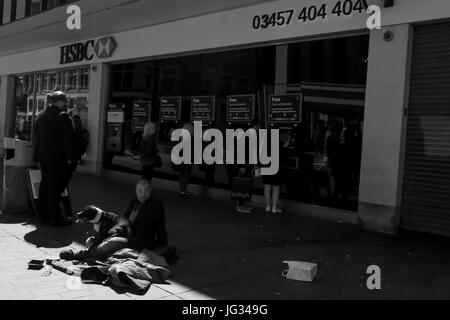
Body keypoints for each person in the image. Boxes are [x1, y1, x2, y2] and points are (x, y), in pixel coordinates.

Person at [33, 91, 75, 226]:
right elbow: (67, 140)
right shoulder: (62, 116)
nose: (66, 105)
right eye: (65, 102)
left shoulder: (40, 116)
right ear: (60, 102)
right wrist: (70, 158)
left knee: (45, 184)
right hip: (57, 159)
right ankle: (56, 218)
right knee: (55, 188)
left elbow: (36, 137)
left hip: (42, 157)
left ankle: (42, 215)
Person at [123, 179, 168, 251]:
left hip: (142, 242)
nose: (143, 194)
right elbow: (124, 219)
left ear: (150, 190)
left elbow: (160, 227)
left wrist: (163, 246)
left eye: (146, 191)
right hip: (129, 236)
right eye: (140, 191)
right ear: (136, 191)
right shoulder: (133, 202)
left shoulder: (156, 205)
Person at [261, 132, 290, 214]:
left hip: (265, 167)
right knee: (276, 188)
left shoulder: (266, 143)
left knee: (267, 186)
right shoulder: (281, 146)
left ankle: (267, 206)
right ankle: (274, 208)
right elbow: (284, 159)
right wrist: (285, 147)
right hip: (276, 169)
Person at [178, 122, 194, 197]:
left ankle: (182, 190)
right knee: (186, 174)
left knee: (183, 174)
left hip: (182, 159)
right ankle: (183, 190)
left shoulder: (182, 137)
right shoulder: (189, 139)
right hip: (188, 159)